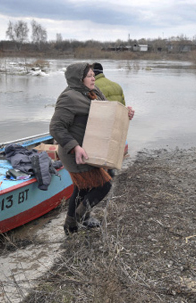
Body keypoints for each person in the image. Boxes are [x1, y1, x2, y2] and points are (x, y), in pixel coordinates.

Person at [50, 63, 134, 234]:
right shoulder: (69, 97)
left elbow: (109, 113)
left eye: (93, 75)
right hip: (76, 153)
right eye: (89, 75)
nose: (93, 78)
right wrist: (75, 147)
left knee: (82, 188)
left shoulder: (94, 93)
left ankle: (71, 226)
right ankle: (80, 217)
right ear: (78, 79)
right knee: (104, 185)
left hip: (91, 148)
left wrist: (126, 114)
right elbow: (56, 128)